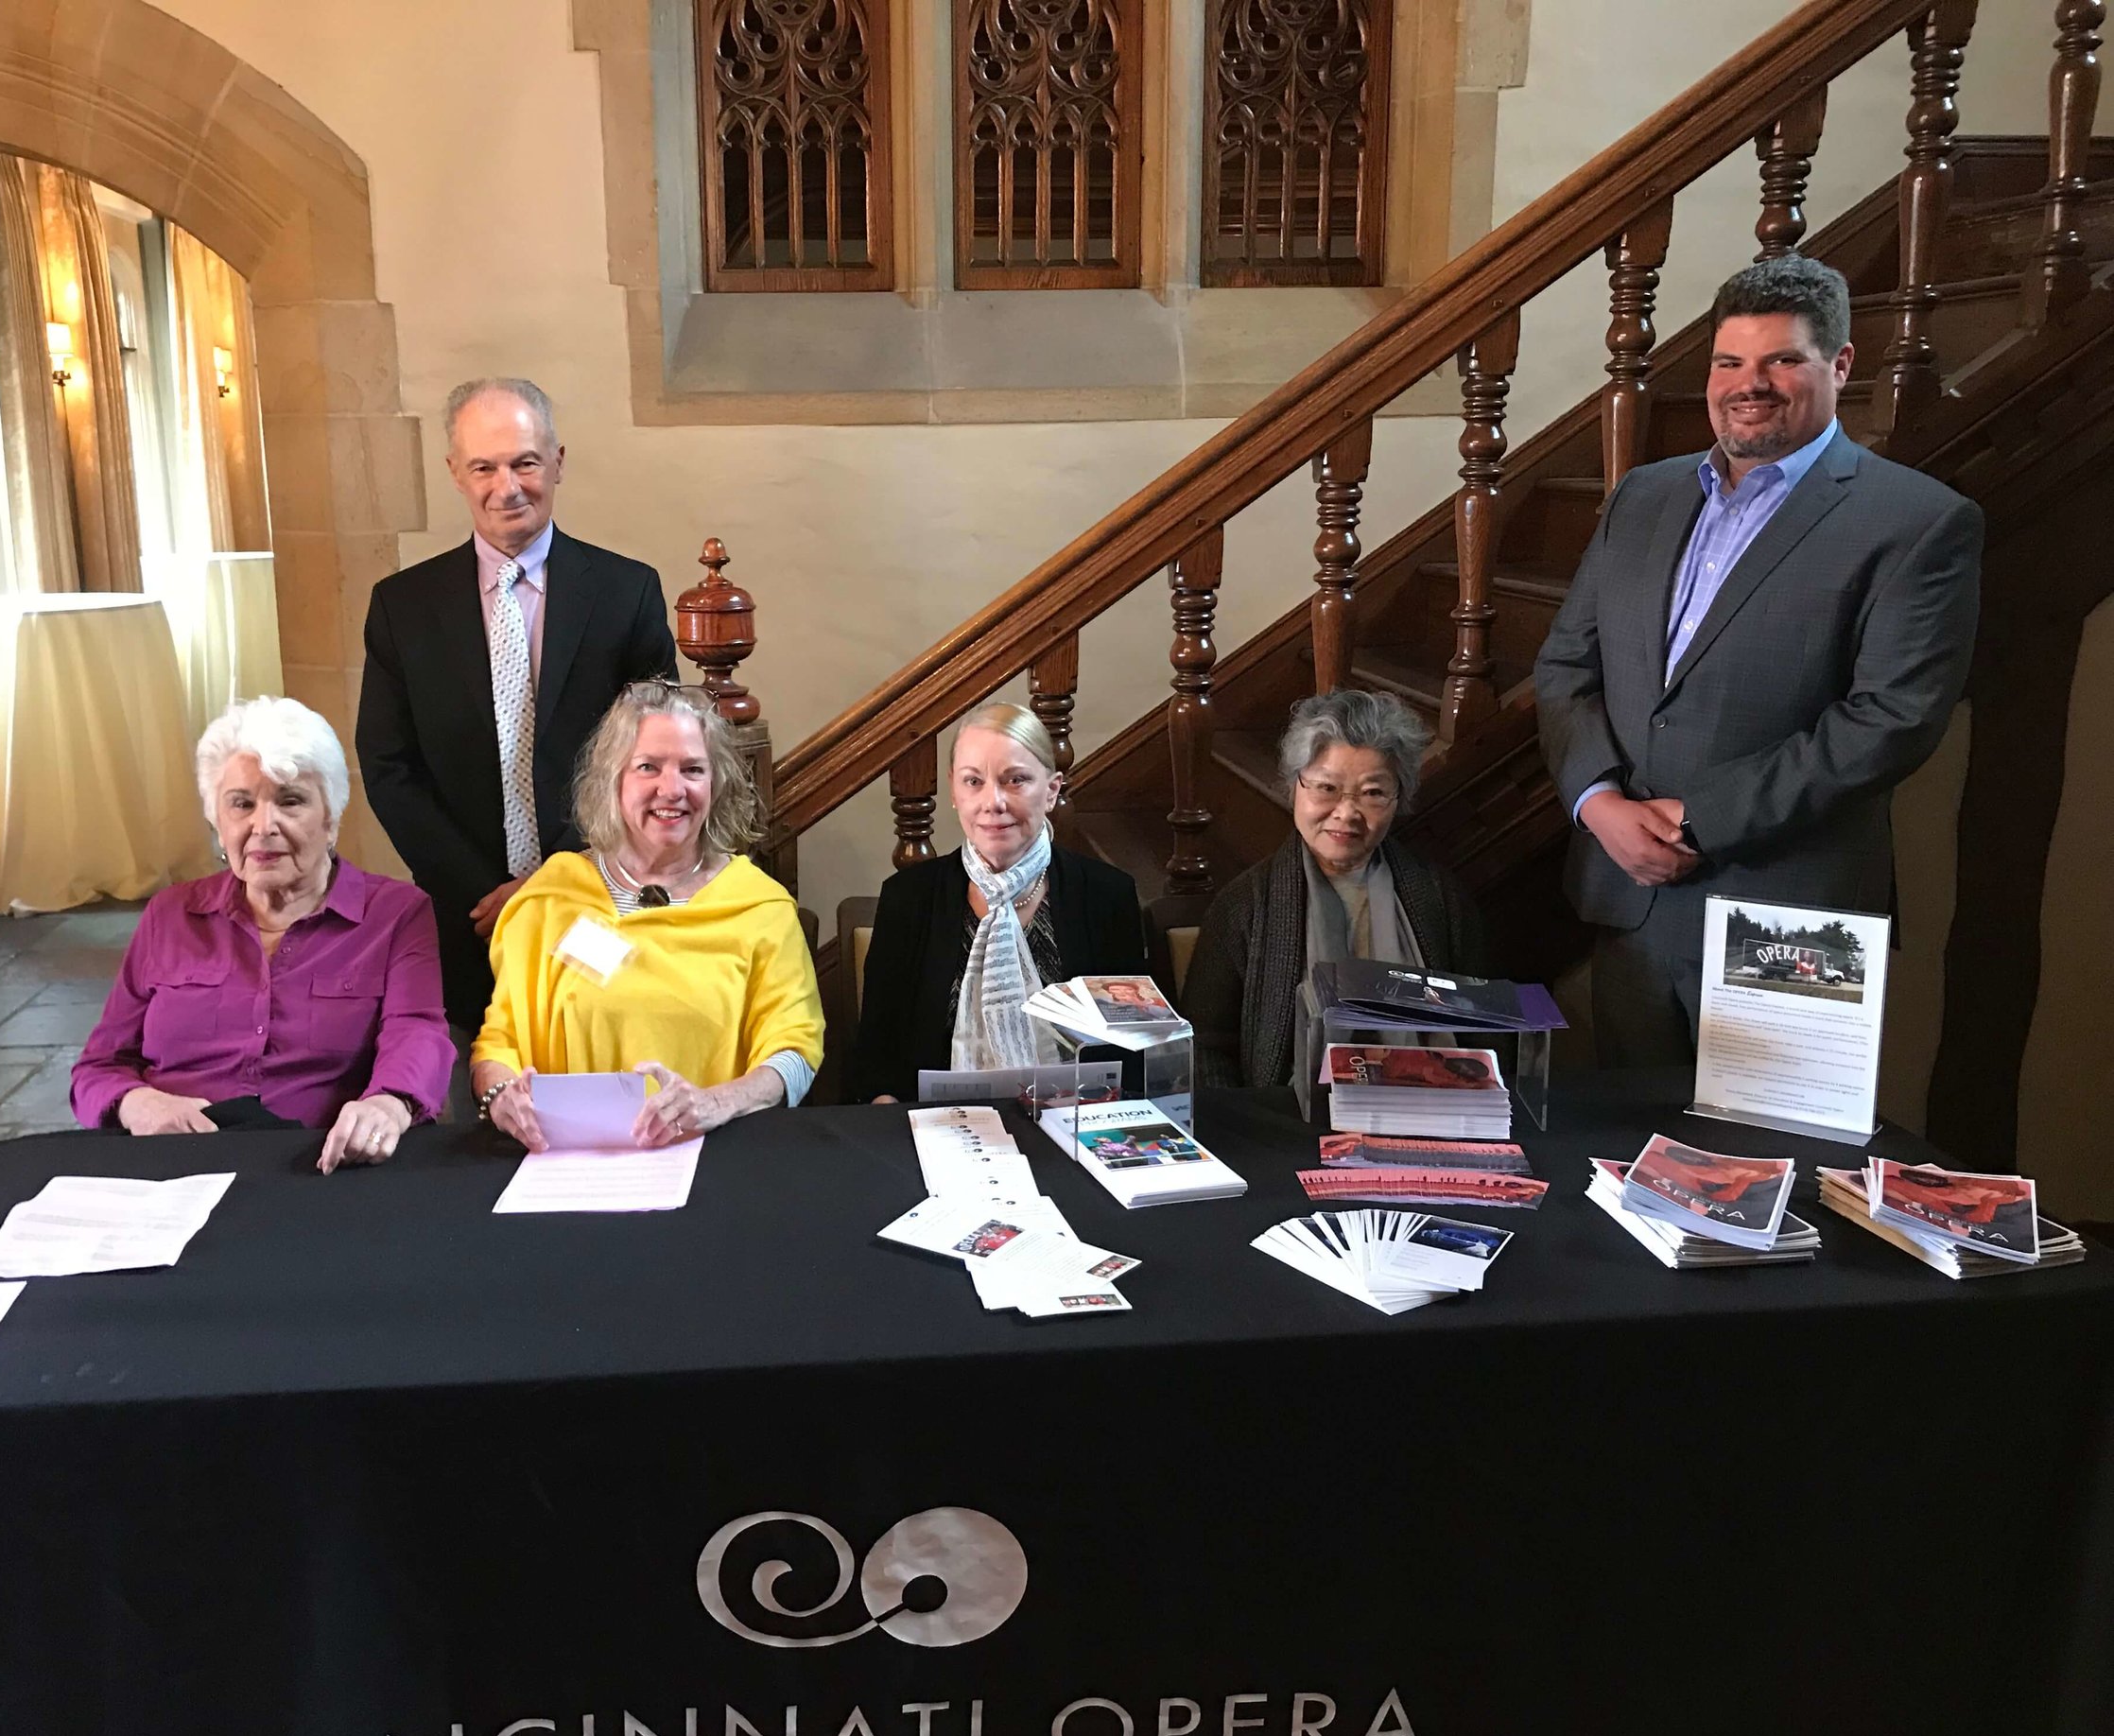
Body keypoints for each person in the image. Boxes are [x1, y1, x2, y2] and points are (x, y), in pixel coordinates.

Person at [1534, 256, 1983, 1066]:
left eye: (1783, 359)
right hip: (1630, 901)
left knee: (1772, 1171)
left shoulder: (1919, 522)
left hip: (1791, 915)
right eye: (1729, 362)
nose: (1751, 383)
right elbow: (1566, 666)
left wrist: (1697, 818)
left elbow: (1891, 721)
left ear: (1840, 365)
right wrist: (1599, 805)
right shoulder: (1642, 496)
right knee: (1632, 1159)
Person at [356, 377, 680, 1033]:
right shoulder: (402, 607)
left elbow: (656, 754)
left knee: (600, 1082)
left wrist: (555, 877)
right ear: (456, 472)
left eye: (525, 462)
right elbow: (388, 764)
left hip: (600, 900)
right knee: (475, 1104)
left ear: (558, 460)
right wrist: (482, 891)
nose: (507, 486)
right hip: (463, 915)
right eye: (485, 466)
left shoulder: (627, 592)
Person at [71, 698, 454, 1172]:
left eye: (290, 801)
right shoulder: (170, 914)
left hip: (316, 1165)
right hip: (172, 1165)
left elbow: (417, 1033)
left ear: (331, 819)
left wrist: (388, 1104)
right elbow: (97, 1068)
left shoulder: (395, 913)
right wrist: (138, 1104)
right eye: (242, 804)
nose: (263, 825)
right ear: (217, 820)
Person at [473, 682, 823, 1150]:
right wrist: (500, 1096)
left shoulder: (760, 907)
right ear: (614, 781)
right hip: (567, 1163)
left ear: (715, 784)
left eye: (693, 769)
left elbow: (795, 1052)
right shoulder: (550, 899)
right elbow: (499, 1042)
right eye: (648, 767)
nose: (672, 788)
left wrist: (717, 1103)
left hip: (714, 1155)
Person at [1181, 689, 1490, 1088]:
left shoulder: (1439, 897)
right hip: (1288, 1122)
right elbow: (1203, 1048)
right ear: (1294, 787)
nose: (1346, 813)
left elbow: (1487, 1026)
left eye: (1373, 793)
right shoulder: (1244, 905)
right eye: (1326, 788)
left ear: (1399, 799)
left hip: (1429, 1107)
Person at [849, 703, 1145, 1102]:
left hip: (1072, 1129)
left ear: (1052, 790)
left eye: (1015, 780)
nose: (993, 802)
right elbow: (876, 1059)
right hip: (934, 1131)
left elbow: (1135, 1051)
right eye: (974, 782)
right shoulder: (908, 898)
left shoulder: (1108, 895)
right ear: (954, 790)